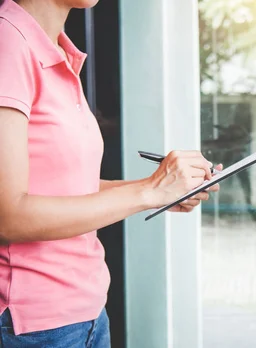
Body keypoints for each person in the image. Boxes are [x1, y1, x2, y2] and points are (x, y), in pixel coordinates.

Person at [0, 0, 220, 346]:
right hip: (35, 326)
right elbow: (8, 216)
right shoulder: (8, 42)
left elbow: (70, 189)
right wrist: (149, 190)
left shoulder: (55, 48)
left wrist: (165, 187)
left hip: (87, 314)